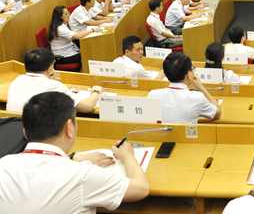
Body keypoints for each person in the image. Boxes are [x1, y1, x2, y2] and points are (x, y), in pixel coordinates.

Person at [0, 91, 150, 213]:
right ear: (69, 128)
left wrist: (72, 158)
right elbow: (140, 189)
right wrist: (128, 156)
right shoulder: (82, 175)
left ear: (24, 131)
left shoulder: (4, 163)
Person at [6, 48, 100, 114]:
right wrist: (96, 92)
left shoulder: (17, 80)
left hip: (11, 127)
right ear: (50, 67)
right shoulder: (53, 85)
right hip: (34, 131)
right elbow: (87, 107)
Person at [148, 52, 221, 123]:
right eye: (192, 68)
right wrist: (201, 87)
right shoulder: (197, 97)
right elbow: (217, 113)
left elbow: (148, 122)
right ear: (188, 74)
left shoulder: (152, 95)